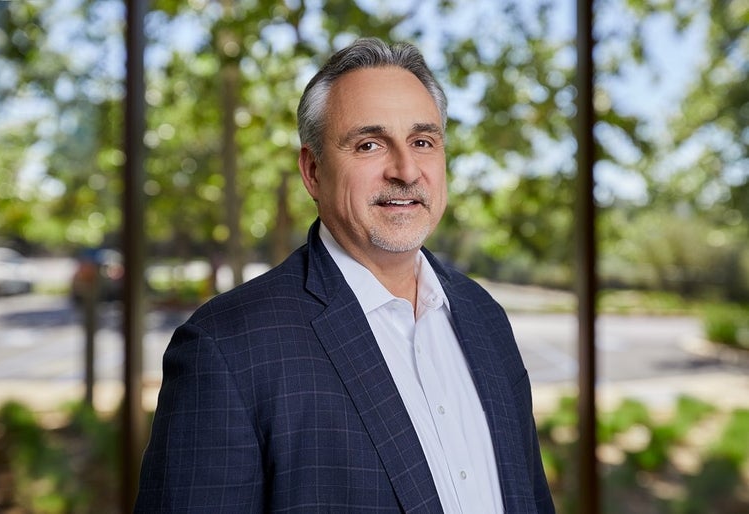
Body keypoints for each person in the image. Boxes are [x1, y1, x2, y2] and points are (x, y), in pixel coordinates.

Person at [135, 37, 555, 513]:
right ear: (313, 171)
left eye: (422, 141)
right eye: (370, 144)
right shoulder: (227, 348)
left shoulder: (485, 317)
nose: (405, 170)